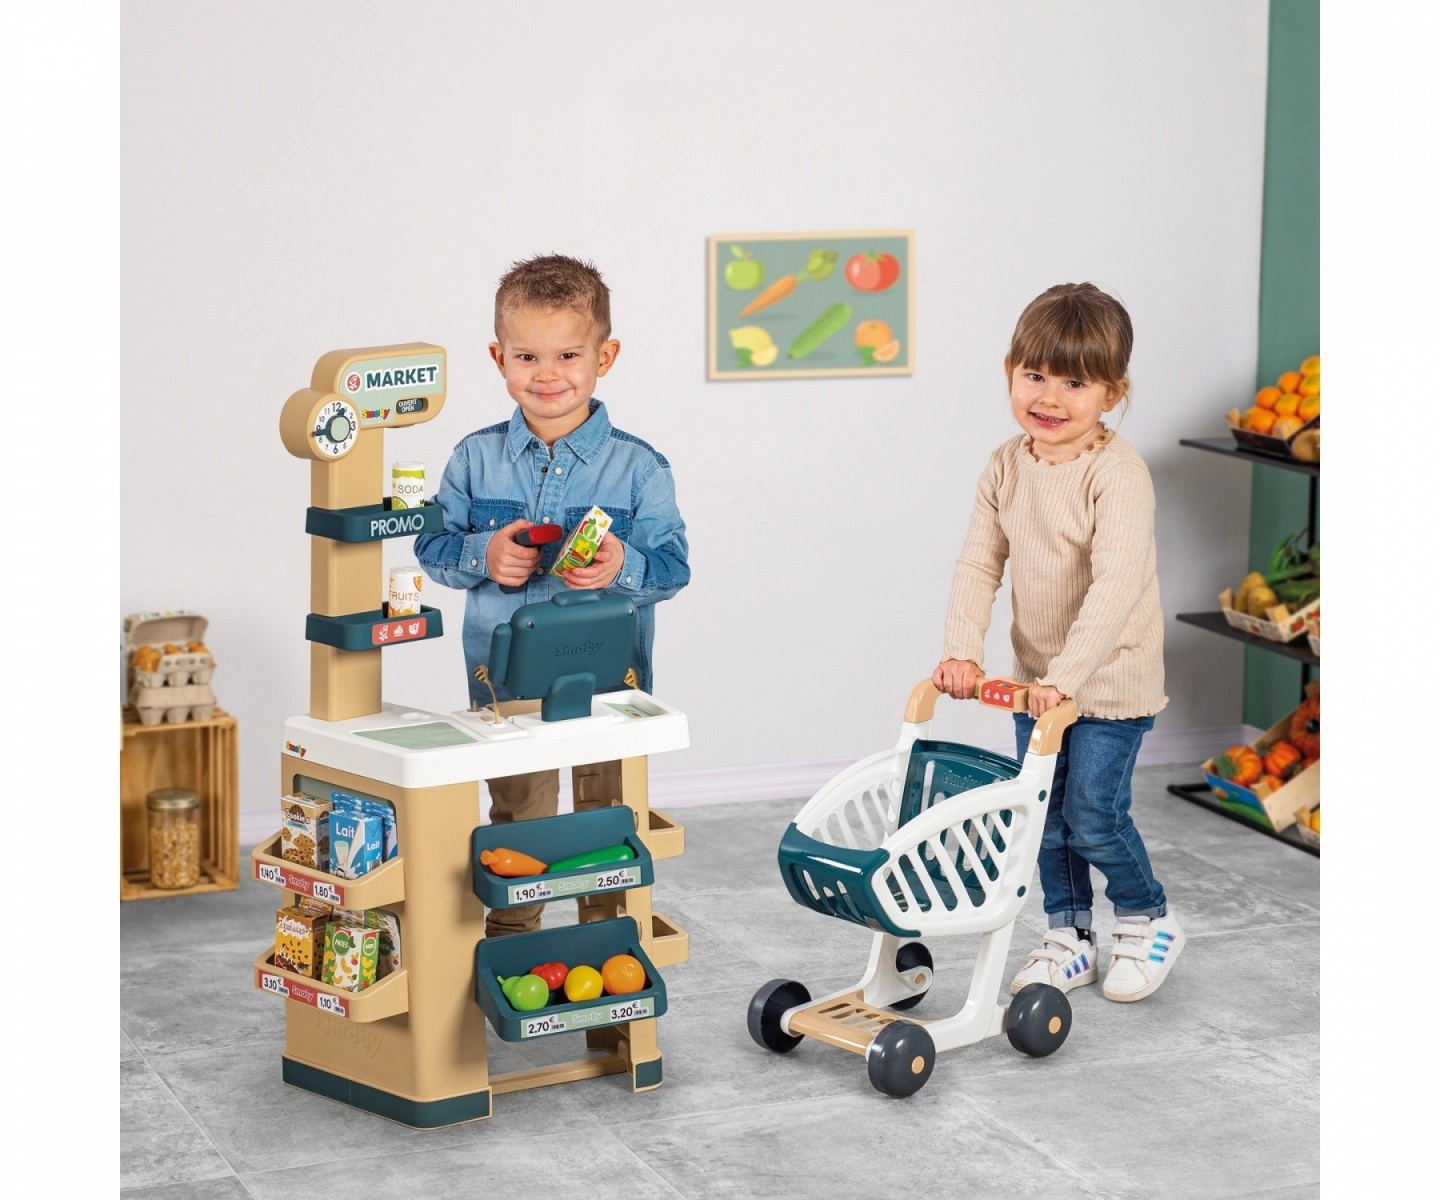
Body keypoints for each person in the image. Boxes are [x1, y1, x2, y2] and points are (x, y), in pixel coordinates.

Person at [416, 254, 690, 938]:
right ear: (498, 358)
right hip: (506, 686)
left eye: (568, 355)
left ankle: (607, 934)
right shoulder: (473, 458)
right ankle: (514, 938)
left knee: (607, 818)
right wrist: (484, 554)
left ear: (605, 356)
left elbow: (673, 569)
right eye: (526, 357)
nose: (547, 375)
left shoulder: (640, 467)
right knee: (521, 818)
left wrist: (622, 564)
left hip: (610, 682)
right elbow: (431, 549)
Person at [932, 282, 1184, 1003]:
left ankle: (1146, 918)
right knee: (1041, 818)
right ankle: (1069, 934)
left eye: (1075, 383)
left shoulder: (1118, 474)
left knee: (1093, 818)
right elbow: (979, 561)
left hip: (1107, 683)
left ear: (1112, 393)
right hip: (1037, 682)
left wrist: (1067, 679)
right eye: (1035, 375)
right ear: (1009, 372)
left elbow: (1115, 587)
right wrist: (963, 650)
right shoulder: (1005, 464)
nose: (1049, 397)